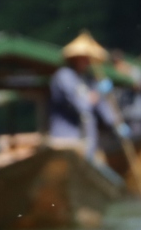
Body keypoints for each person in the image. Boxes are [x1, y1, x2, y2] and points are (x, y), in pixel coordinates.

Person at [48, 31, 119, 159]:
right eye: (84, 57)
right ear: (75, 58)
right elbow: (82, 105)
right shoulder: (64, 76)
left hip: (87, 140)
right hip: (66, 139)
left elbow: (102, 107)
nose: (87, 61)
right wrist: (98, 92)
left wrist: (115, 123)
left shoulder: (88, 79)